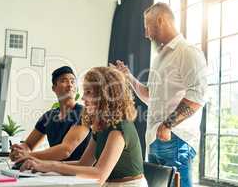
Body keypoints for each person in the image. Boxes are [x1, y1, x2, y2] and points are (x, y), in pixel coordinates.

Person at [111, 2, 207, 187]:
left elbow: (198, 95)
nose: (146, 34)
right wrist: (129, 77)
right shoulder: (159, 58)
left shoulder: (187, 52)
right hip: (154, 139)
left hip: (176, 139)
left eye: (147, 26)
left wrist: (167, 125)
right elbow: (150, 96)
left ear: (161, 20)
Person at [16, 67, 148, 187]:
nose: (83, 97)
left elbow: (99, 175)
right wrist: (42, 165)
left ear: (105, 95)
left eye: (89, 92)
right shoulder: (101, 125)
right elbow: (83, 163)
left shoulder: (119, 127)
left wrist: (51, 165)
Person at [10, 66, 91, 162]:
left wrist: (28, 155)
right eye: (64, 81)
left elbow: (65, 151)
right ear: (54, 88)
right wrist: (19, 150)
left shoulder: (84, 113)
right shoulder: (48, 116)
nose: (70, 85)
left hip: (76, 172)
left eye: (73, 81)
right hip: (54, 171)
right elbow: (29, 145)